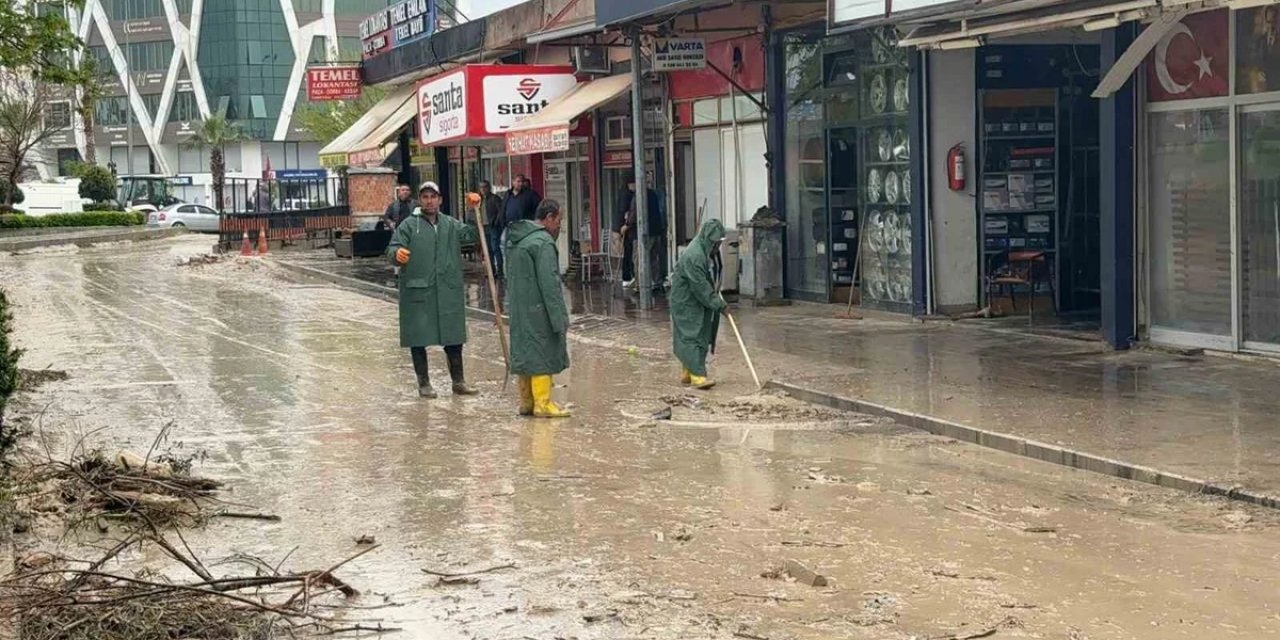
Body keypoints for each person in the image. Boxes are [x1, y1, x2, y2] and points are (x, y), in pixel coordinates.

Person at [386, 181, 480, 398]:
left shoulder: (450, 224)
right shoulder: (409, 225)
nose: (429, 201)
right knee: (418, 337)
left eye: (433, 197)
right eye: (425, 197)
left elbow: (472, 236)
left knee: (453, 337)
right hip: (419, 291)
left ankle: (458, 382)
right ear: (420, 200)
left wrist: (473, 211)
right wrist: (397, 254)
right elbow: (392, 248)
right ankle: (424, 383)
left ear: (440, 200)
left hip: (447, 290)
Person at [505, 199, 571, 418]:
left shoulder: (516, 240)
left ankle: (527, 402)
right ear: (549, 217)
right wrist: (559, 318)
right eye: (559, 220)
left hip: (519, 309)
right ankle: (543, 404)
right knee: (543, 354)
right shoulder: (542, 242)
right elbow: (550, 284)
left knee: (525, 353)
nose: (559, 226)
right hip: (539, 310)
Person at [669, 218, 727, 390]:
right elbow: (701, 287)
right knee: (692, 334)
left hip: (695, 300)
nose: (718, 246)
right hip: (686, 301)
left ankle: (688, 371)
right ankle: (698, 376)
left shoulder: (705, 251)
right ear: (709, 239)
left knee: (700, 332)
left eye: (720, 242)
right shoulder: (694, 256)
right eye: (716, 242)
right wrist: (719, 304)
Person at [479, 180, 505, 276]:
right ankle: (491, 271)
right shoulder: (480, 200)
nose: (483, 189)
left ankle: (500, 271)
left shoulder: (495, 198)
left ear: (489, 188)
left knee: (495, 248)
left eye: (485, 187)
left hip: (493, 227)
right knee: (488, 250)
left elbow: (500, 211)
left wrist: (496, 222)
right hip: (484, 227)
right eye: (481, 187)